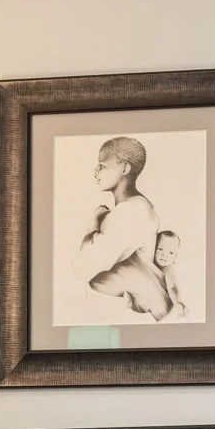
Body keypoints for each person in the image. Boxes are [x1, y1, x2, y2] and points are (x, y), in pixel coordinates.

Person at [71, 136, 172, 322]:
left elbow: (82, 268)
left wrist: (93, 224)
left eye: (102, 166)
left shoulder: (131, 212)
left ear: (124, 168)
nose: (95, 171)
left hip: (120, 315)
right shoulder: (136, 207)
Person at [152, 229, 187, 318]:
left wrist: (177, 301)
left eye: (171, 253)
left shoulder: (169, 270)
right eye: (160, 249)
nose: (165, 255)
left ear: (175, 257)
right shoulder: (150, 262)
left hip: (161, 301)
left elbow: (173, 287)